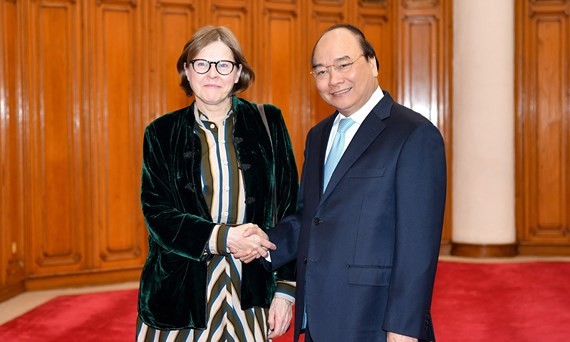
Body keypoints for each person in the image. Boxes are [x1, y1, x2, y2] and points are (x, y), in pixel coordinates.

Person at [243, 23, 447, 341]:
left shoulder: (413, 134)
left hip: (375, 322)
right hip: (318, 316)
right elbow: (310, 217)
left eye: (343, 65)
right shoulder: (318, 135)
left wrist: (402, 330)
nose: (334, 79)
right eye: (322, 71)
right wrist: (264, 243)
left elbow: (417, 247)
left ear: (373, 63)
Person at [136, 26, 298, 341]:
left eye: (223, 65)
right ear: (186, 69)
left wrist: (285, 290)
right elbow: (157, 214)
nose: (212, 73)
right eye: (201, 63)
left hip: (250, 291)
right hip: (180, 295)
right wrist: (223, 238)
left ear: (238, 72)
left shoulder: (268, 123)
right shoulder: (161, 133)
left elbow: (289, 209)